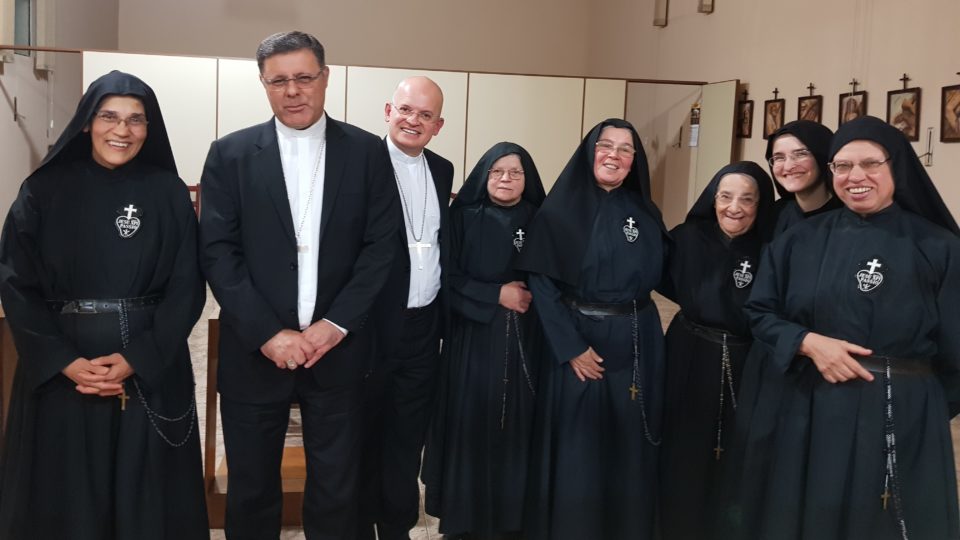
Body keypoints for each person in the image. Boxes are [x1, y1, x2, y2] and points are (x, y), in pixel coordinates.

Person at [198, 31, 399, 539]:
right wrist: (269, 332)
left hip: (339, 351)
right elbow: (219, 252)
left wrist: (334, 326)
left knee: (337, 488)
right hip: (255, 351)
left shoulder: (367, 152)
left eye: (304, 78)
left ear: (326, 78)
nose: (293, 91)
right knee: (251, 487)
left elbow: (380, 249)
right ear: (264, 84)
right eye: (279, 80)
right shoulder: (231, 154)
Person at [0, 70, 208, 539]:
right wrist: (63, 362)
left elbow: (187, 286)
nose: (122, 130)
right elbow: (15, 283)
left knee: (148, 499)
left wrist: (139, 358)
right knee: (65, 496)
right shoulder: (41, 192)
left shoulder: (169, 193)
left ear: (149, 129)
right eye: (109, 116)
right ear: (86, 123)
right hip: (64, 370)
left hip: (149, 367)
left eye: (136, 120)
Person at [733, 116, 960, 539]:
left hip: (902, 409)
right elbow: (760, 311)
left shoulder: (939, 247)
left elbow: (955, 351)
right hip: (811, 407)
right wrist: (807, 342)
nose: (856, 177)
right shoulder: (797, 241)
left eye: (870, 164)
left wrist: (917, 401)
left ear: (897, 168)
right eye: (842, 166)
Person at [518, 119, 670, 540]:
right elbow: (543, 287)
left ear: (634, 161)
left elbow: (669, 272)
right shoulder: (558, 211)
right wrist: (571, 349)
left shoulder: (644, 211)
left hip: (637, 342)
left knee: (630, 443)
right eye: (606, 146)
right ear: (590, 151)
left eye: (625, 150)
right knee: (579, 449)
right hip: (580, 343)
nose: (614, 156)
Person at [422, 142, 546, 539]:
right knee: (471, 422)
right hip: (473, 339)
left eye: (515, 172)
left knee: (521, 425)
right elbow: (447, 279)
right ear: (484, 176)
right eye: (497, 172)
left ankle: (515, 519)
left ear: (528, 179)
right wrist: (496, 295)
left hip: (528, 340)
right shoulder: (462, 218)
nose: (506, 179)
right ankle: (465, 519)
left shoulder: (542, 220)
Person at [355, 76, 453, 540]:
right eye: (407, 110)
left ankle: (396, 528)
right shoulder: (356, 164)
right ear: (388, 111)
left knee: (406, 438)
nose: (414, 120)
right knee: (361, 436)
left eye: (426, 115)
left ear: (438, 125)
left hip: (422, 328)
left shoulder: (444, 169)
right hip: (368, 328)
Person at [657, 161, 774, 540]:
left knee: (735, 449)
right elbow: (662, 278)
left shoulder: (770, 248)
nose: (734, 207)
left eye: (747, 199)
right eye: (725, 196)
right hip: (688, 349)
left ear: (761, 205)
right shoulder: (688, 237)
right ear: (712, 198)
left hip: (745, 357)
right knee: (683, 445)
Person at [765, 120, 840, 235]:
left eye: (800, 154)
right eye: (779, 157)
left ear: (823, 157)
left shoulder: (849, 218)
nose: (788, 166)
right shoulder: (774, 215)